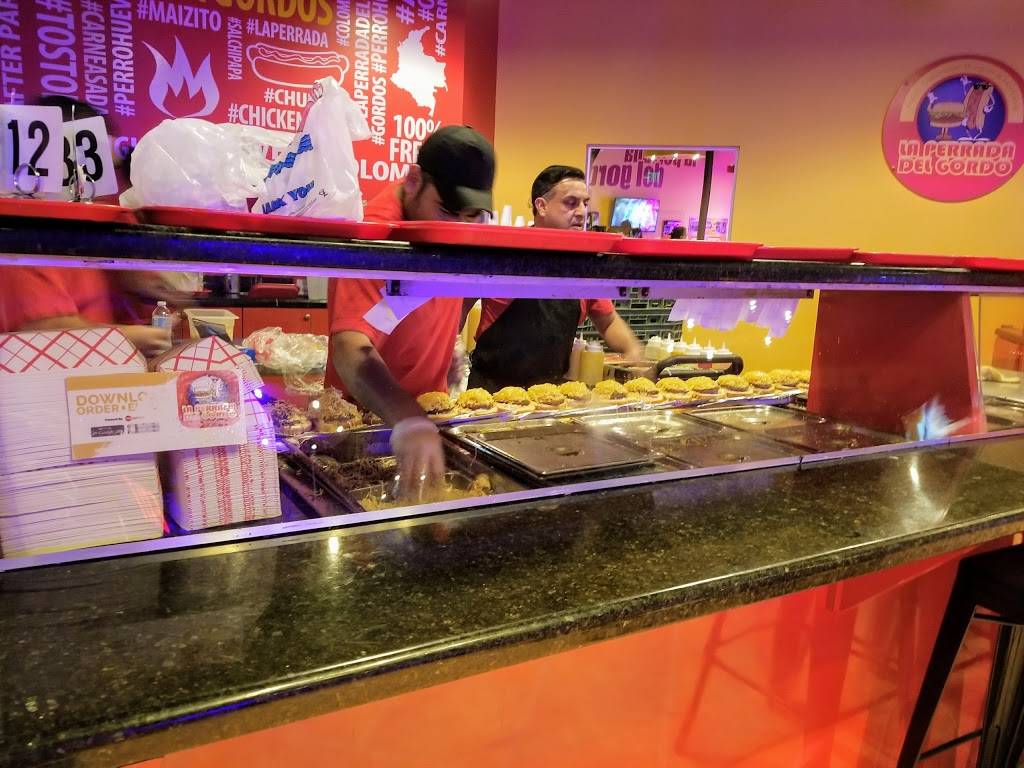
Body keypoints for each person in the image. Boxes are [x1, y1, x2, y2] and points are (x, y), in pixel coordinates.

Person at [326, 126, 495, 493]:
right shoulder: (373, 235)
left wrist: (448, 341)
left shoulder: (461, 228)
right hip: (365, 424)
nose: (460, 227)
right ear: (415, 180)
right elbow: (349, 344)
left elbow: (457, 291)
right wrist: (407, 418)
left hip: (430, 418)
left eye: (472, 214)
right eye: (448, 210)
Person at [0, 97, 175, 359]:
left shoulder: (105, 222)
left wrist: (146, 290)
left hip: (106, 372)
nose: (111, 182)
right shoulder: (22, 232)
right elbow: (42, 330)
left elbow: (144, 293)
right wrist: (136, 337)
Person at [468, 165, 643, 391]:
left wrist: (633, 350)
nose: (581, 212)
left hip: (550, 395)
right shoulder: (507, 253)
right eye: (571, 203)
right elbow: (460, 303)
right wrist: (449, 353)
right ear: (541, 206)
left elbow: (607, 320)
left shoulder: (583, 265)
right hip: (489, 392)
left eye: (585, 203)